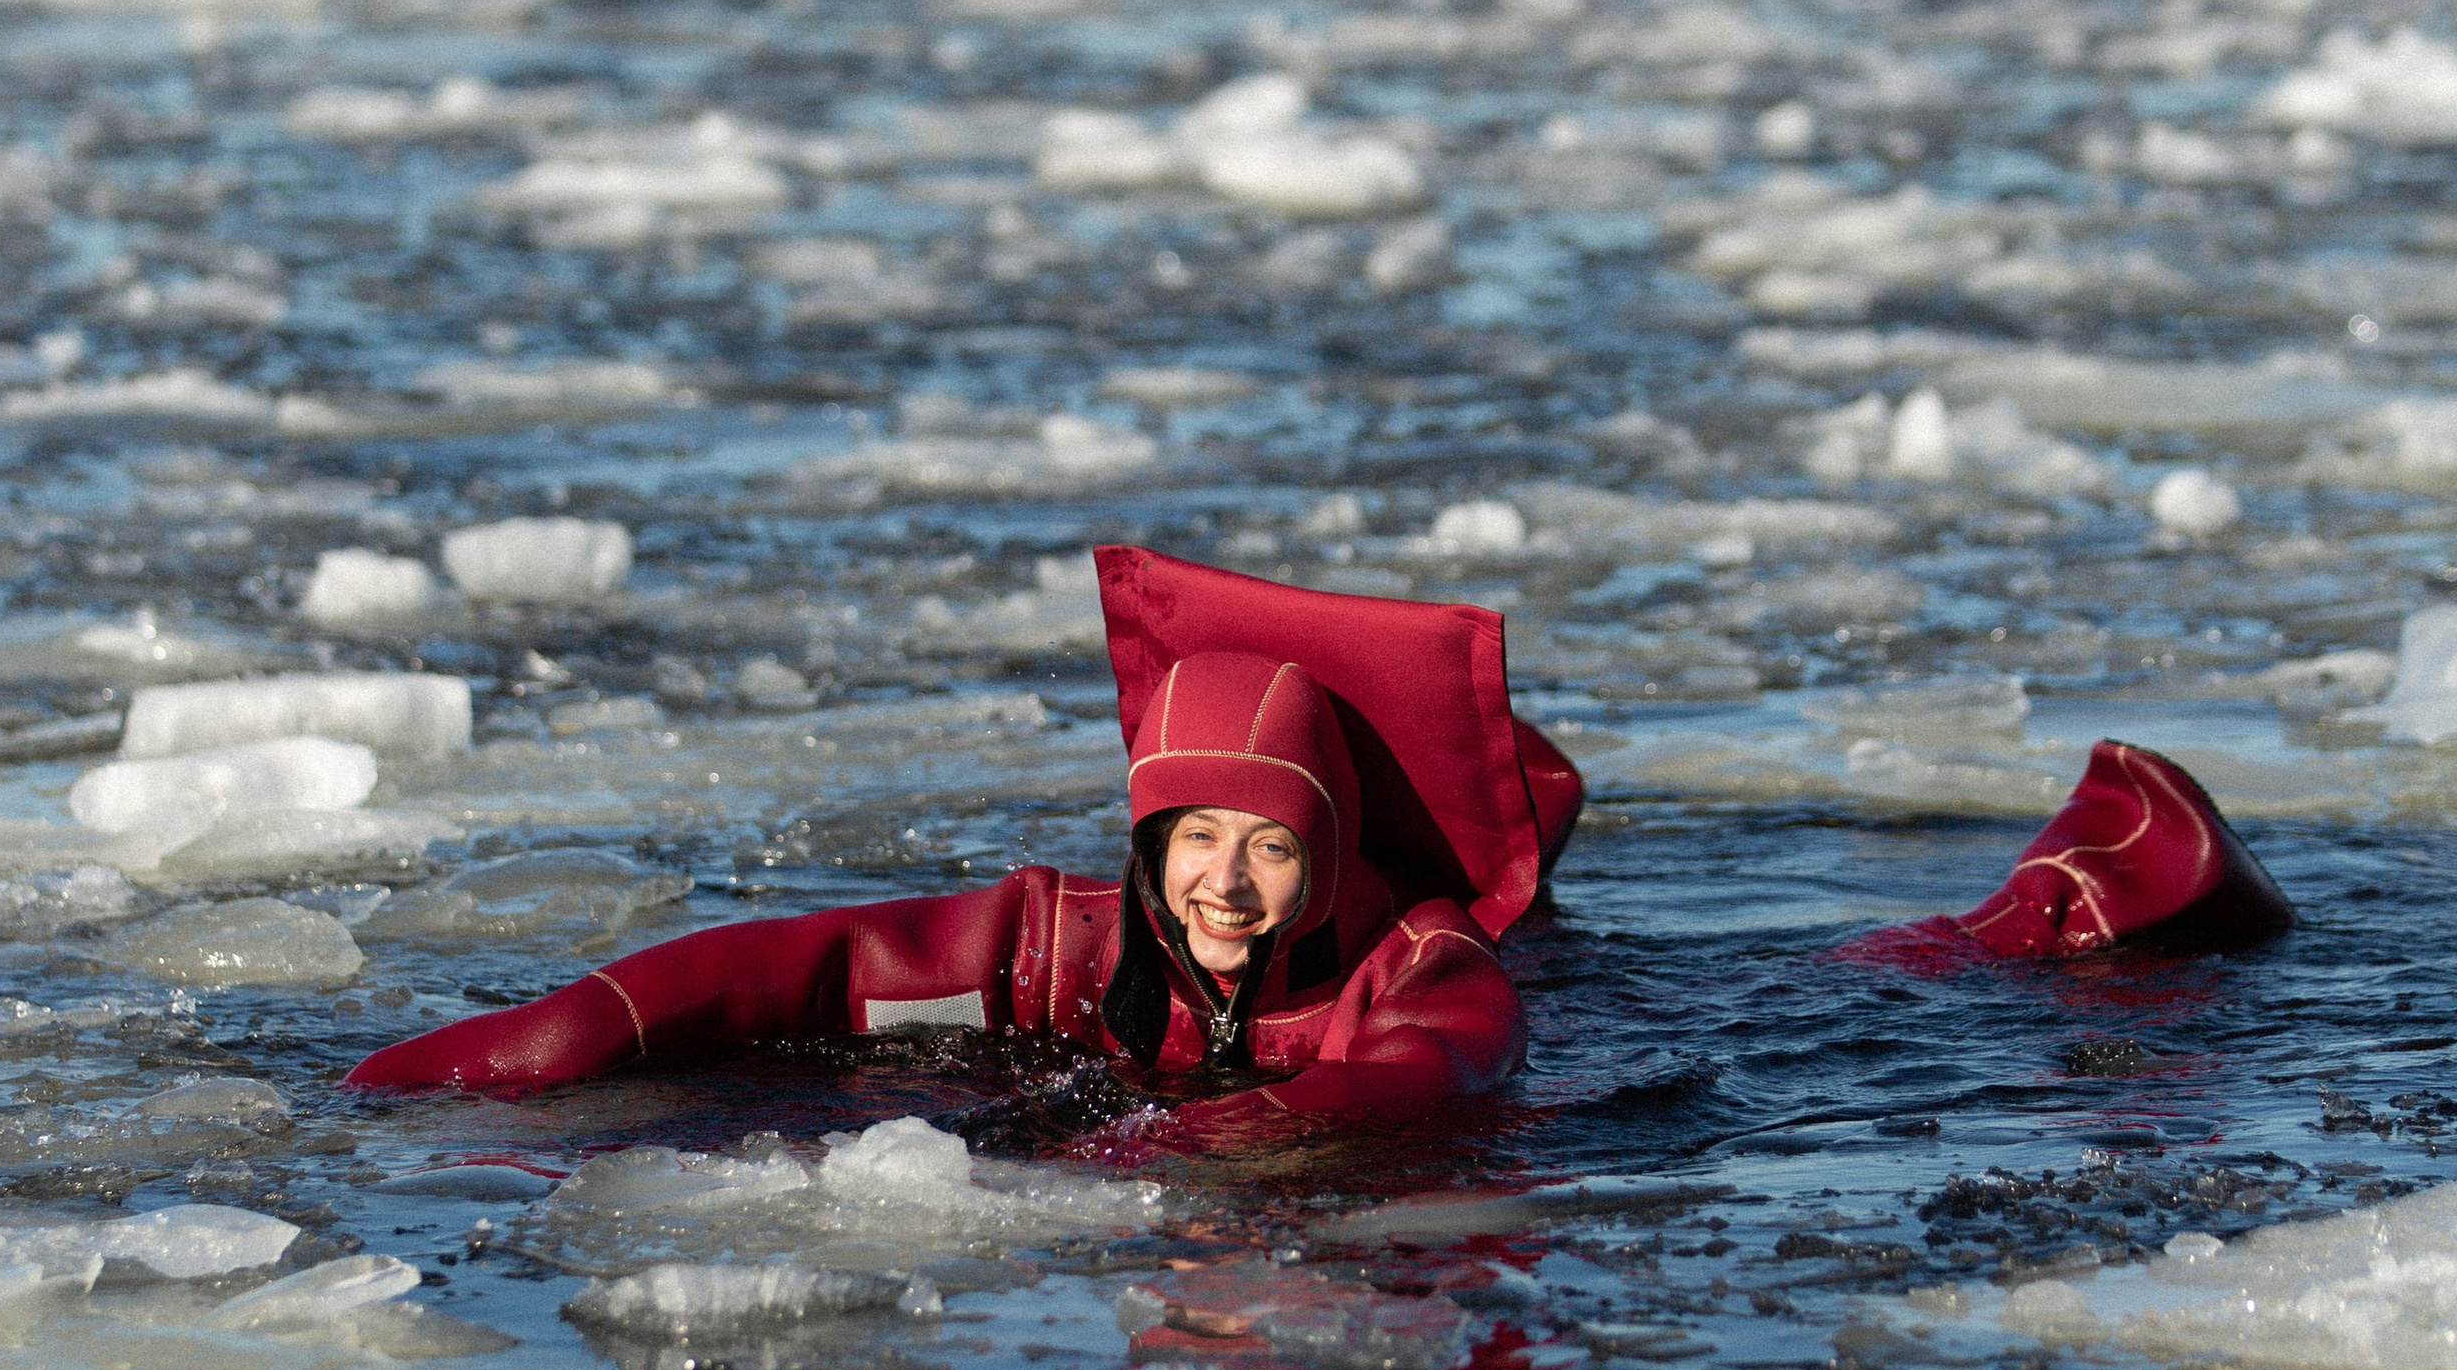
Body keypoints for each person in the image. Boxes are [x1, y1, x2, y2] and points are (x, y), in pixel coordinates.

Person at [344, 542, 2292, 1121]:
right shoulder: (1084, 934)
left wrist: (1209, 1156)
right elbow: (814, 965)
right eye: (1188, 839)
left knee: (1856, 982)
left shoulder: (1410, 959)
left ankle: (2091, 887)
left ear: (1313, 858)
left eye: (1262, 848)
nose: (1221, 881)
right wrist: (555, 1035)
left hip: (1583, 1030)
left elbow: (1429, 1074)